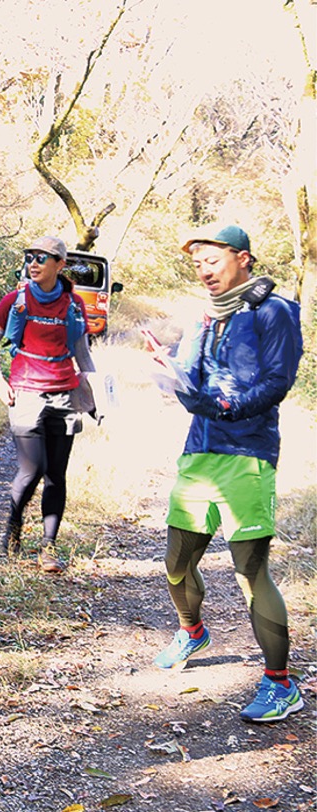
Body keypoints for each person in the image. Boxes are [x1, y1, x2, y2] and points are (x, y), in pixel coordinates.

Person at [149, 224, 304, 723]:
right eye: (196, 263)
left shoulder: (273, 312)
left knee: (249, 571)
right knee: (176, 562)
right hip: (200, 452)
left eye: (211, 260)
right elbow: (191, 380)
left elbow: (278, 380)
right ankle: (192, 630)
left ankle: (281, 684)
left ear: (242, 258)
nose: (203, 270)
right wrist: (167, 368)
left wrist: (228, 406)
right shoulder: (203, 319)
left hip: (249, 455)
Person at [0, 236, 99, 574]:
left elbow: (82, 354)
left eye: (42, 258)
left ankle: (48, 547)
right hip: (25, 394)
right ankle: (12, 532)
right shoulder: (15, 300)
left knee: (56, 475)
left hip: (64, 396)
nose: (33, 263)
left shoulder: (74, 303)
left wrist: (94, 397)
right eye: (30, 257)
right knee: (31, 469)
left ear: (59, 264)